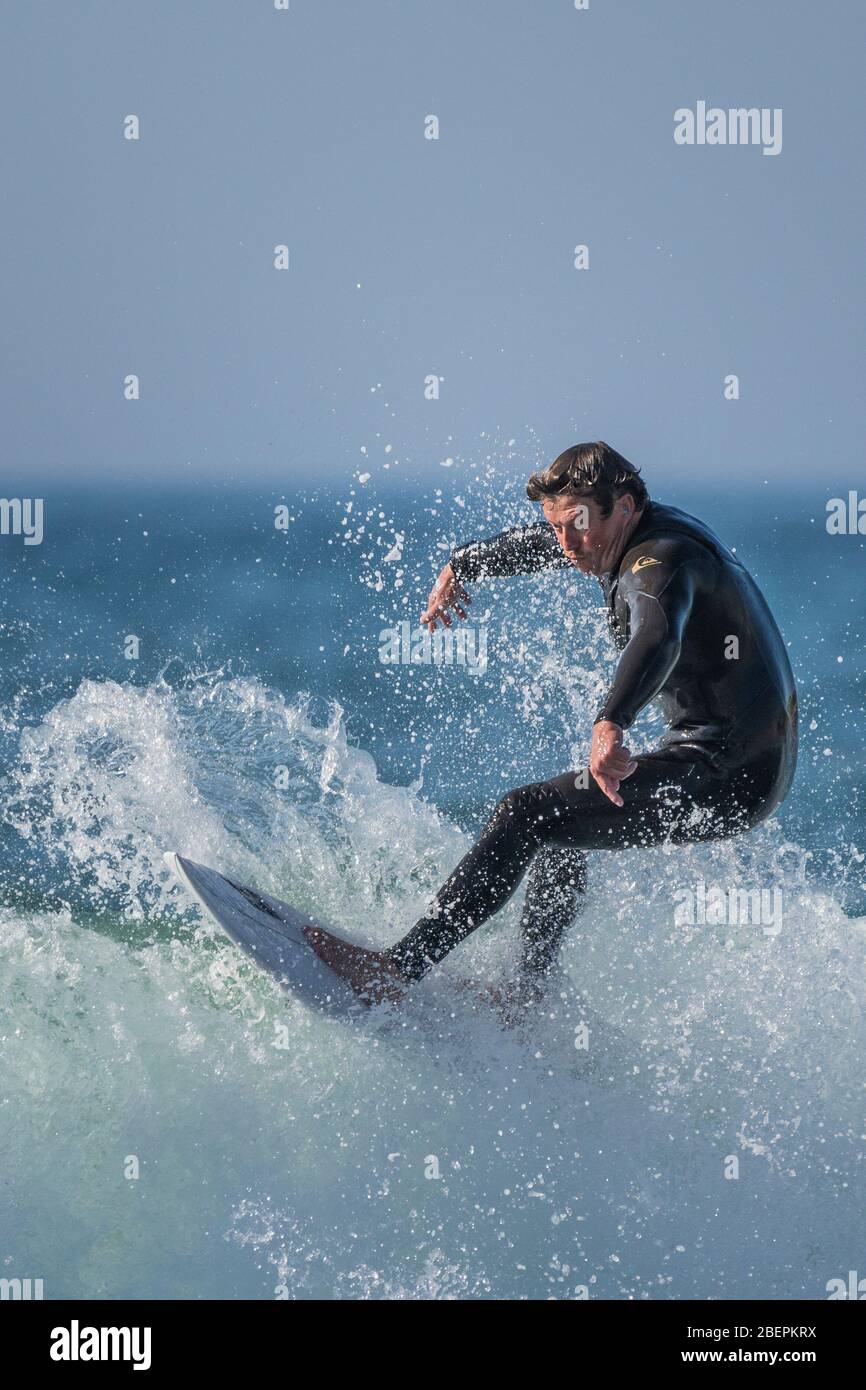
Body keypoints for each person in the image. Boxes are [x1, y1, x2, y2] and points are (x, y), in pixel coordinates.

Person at [305, 441, 798, 1014]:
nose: (566, 544)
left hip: (728, 775)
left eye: (578, 526)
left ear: (627, 505)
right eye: (557, 526)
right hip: (728, 759)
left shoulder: (660, 561)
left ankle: (393, 974)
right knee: (558, 821)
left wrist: (612, 720)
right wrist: (463, 562)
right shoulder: (613, 533)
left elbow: (655, 634)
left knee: (525, 814)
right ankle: (528, 995)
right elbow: (541, 545)